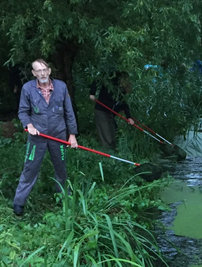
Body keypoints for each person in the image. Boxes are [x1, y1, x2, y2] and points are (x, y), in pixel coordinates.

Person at [13, 59, 78, 216]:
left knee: (61, 169)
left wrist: (72, 135)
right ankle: (19, 204)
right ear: (33, 73)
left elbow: (69, 111)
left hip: (58, 135)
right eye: (38, 70)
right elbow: (23, 111)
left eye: (44, 70)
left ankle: (65, 200)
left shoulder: (61, 86)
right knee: (30, 169)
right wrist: (29, 126)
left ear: (49, 71)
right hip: (38, 136)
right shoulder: (28, 88)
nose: (42, 73)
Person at [89, 72, 134, 150]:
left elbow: (124, 103)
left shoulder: (122, 91)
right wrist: (92, 93)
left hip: (110, 113)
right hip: (101, 110)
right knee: (106, 133)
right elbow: (97, 80)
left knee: (113, 132)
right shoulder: (111, 82)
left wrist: (129, 117)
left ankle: (113, 149)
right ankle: (107, 151)